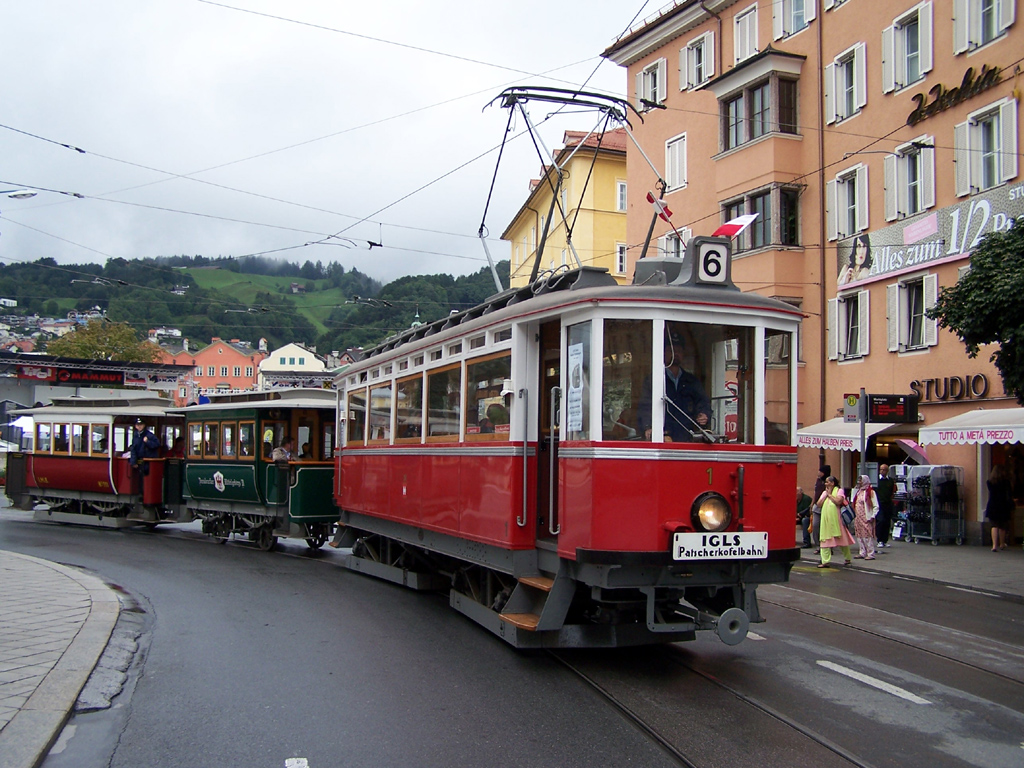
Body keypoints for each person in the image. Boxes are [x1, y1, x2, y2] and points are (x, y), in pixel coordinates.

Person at [637, 330, 712, 442]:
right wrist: (648, 427)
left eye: (679, 351)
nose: (675, 354)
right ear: (663, 353)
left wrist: (704, 414)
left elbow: (702, 402)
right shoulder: (654, 380)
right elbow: (645, 405)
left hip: (686, 437)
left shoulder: (691, 381)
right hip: (663, 436)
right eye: (670, 350)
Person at [816, 475, 855, 568]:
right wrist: (825, 495)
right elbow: (818, 504)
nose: (826, 484)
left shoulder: (839, 490)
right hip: (826, 520)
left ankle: (847, 558)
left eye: (827, 482)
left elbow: (838, 501)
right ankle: (825, 561)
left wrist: (829, 495)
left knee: (842, 539)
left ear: (833, 483)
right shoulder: (824, 492)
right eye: (825, 482)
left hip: (837, 519)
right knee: (824, 539)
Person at [986, 464, 1014, 552]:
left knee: (994, 525)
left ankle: (994, 546)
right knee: (1002, 526)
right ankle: (1002, 544)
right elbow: (1009, 494)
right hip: (1003, 505)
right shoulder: (1006, 482)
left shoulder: (989, 482)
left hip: (993, 504)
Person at [851, 474, 879, 560]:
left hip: (866, 517)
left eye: (861, 480)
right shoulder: (859, 491)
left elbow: (876, 505)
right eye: (858, 480)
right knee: (859, 535)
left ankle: (870, 553)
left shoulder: (870, 492)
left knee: (867, 535)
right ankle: (862, 552)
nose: (859, 482)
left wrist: (872, 516)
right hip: (858, 517)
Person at [875, 463, 895, 547]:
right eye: (881, 469)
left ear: (887, 471)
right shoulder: (876, 480)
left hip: (887, 503)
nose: (882, 471)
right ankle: (879, 539)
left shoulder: (890, 481)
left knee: (887, 522)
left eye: (884, 470)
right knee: (881, 521)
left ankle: (885, 540)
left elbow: (892, 491)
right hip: (879, 503)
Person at [811, 464, 830, 551]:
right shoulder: (818, 480)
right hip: (816, 506)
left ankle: (827, 545)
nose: (819, 473)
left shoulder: (830, 481)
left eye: (820, 471)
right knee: (815, 525)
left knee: (826, 527)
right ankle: (818, 545)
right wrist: (812, 503)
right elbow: (815, 492)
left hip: (826, 506)